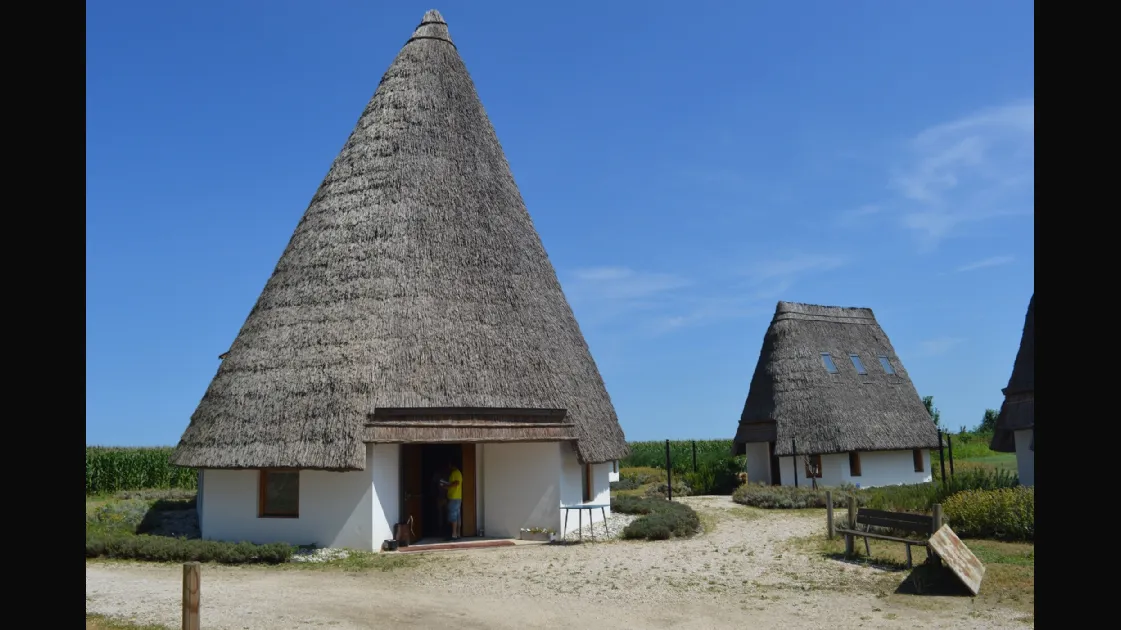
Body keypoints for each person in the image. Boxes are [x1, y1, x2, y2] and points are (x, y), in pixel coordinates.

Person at [438, 462, 463, 540]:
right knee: (457, 516)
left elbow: (456, 483)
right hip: (457, 497)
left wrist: (446, 485)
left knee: (453, 516)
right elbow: (454, 485)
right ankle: (458, 534)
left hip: (454, 497)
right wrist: (446, 486)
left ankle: (454, 534)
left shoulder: (455, 473)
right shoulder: (457, 473)